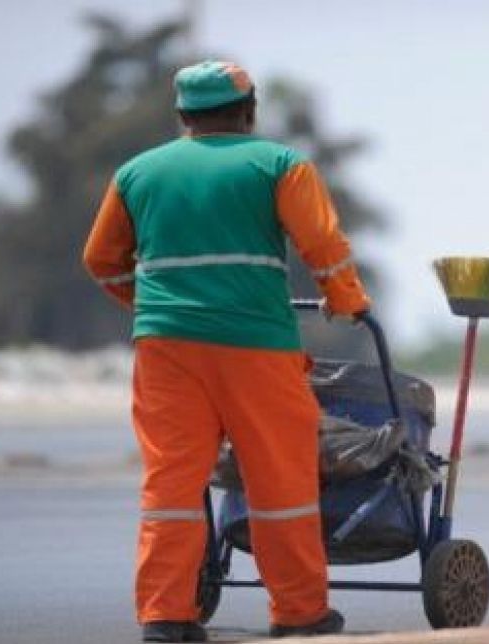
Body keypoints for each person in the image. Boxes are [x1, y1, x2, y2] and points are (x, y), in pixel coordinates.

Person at [83, 61, 368, 642]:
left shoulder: (137, 172)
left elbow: (101, 259)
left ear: (183, 115)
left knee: (171, 483)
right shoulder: (279, 165)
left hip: (167, 350)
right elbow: (322, 244)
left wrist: (148, 306)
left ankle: (166, 614)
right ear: (249, 109)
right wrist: (347, 299)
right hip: (255, 345)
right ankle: (298, 612)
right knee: (279, 479)